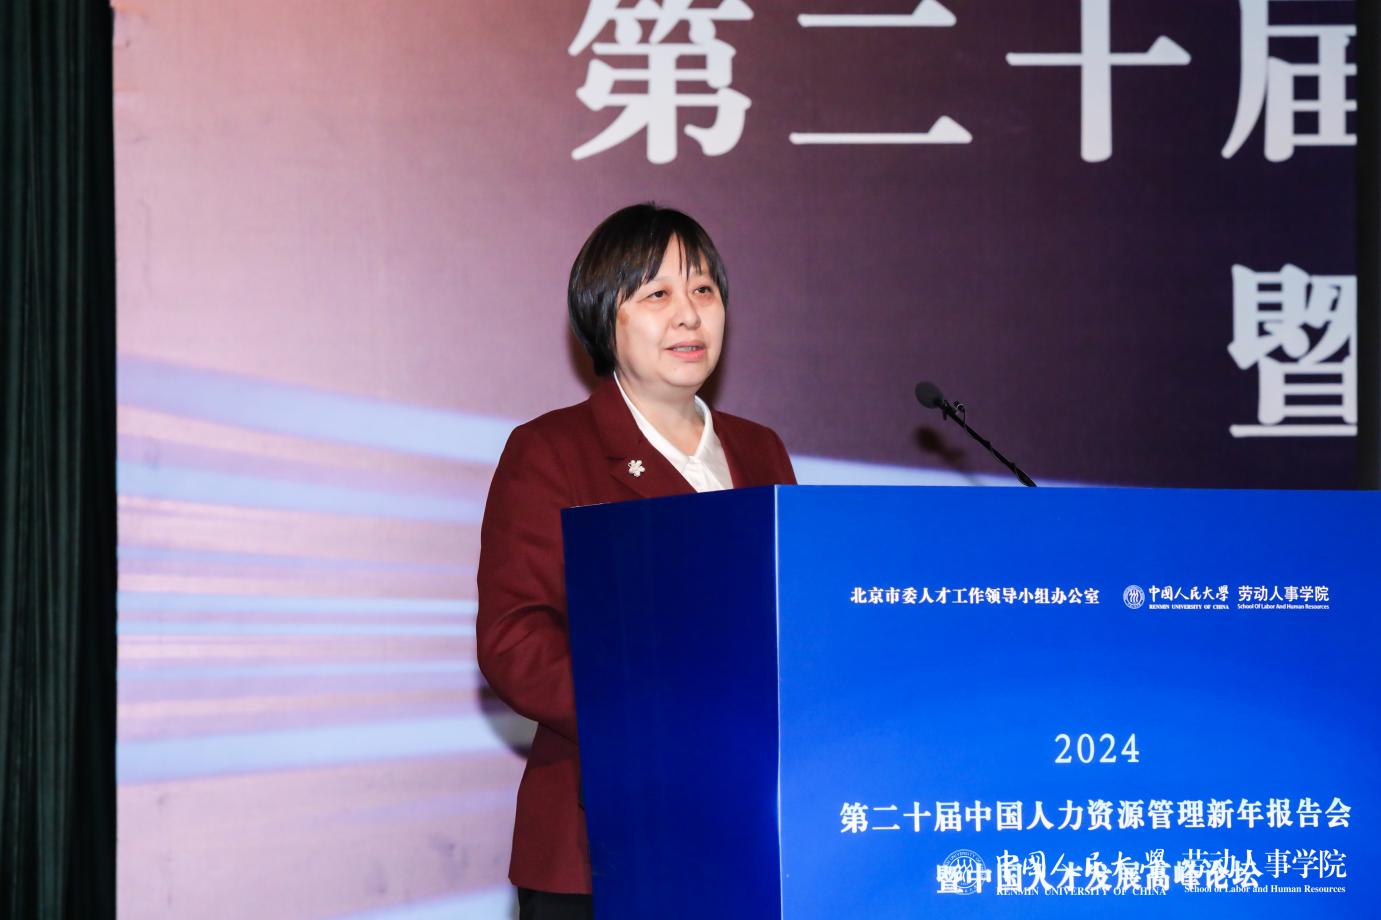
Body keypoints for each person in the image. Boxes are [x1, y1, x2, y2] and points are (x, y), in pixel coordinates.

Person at [475, 203, 797, 919]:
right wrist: (654, 725)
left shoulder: (760, 450)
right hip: (602, 839)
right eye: (657, 294)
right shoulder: (552, 450)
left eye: (704, 290)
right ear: (604, 317)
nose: (689, 314)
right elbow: (515, 639)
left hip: (750, 834)